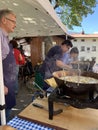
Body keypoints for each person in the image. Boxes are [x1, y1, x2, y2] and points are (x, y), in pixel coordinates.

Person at [0, 9, 17, 122]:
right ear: (4, 20)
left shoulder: (5, 37)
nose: (15, 25)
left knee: (7, 114)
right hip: (3, 87)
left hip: (9, 84)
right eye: (13, 21)